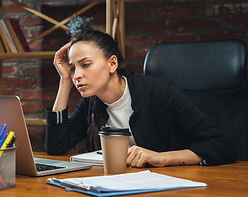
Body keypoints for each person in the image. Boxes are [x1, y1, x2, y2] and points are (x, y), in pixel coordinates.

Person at [45, 30, 238, 167]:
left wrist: (161, 158)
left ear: (112, 63)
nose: (76, 75)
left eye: (85, 64)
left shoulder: (159, 91)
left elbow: (223, 145)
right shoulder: (91, 102)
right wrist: (64, 81)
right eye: (73, 68)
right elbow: (56, 146)